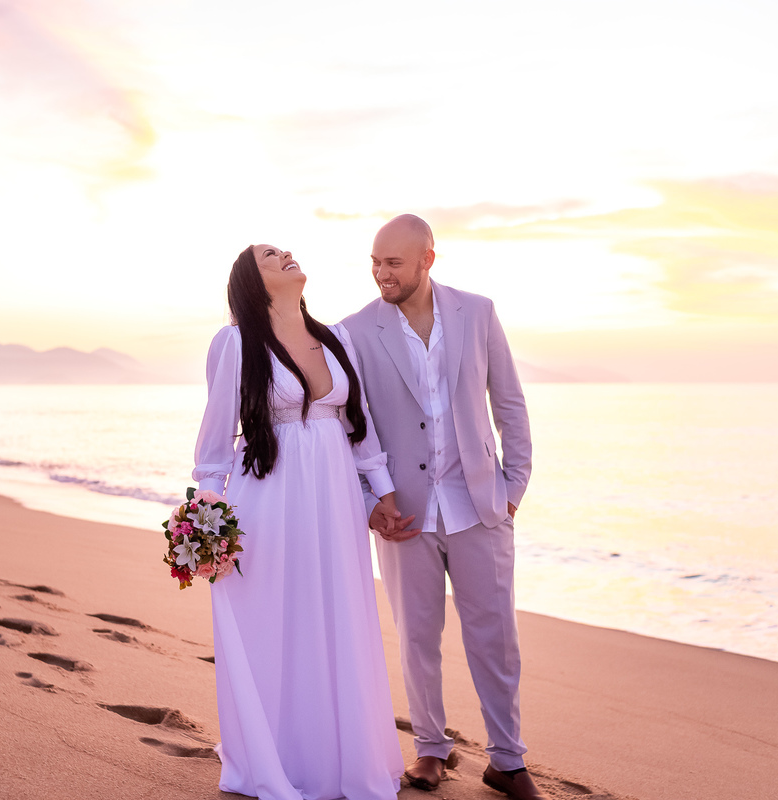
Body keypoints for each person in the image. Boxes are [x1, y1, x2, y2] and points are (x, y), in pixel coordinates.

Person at [192, 244, 405, 800]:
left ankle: (338, 762)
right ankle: (274, 758)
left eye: (286, 249)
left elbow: (361, 430)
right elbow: (215, 443)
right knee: (273, 622)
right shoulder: (235, 343)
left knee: (335, 616)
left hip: (333, 503)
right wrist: (207, 515)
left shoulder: (337, 338)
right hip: (268, 498)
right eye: (270, 255)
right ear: (250, 279)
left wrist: (379, 494)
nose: (287, 255)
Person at [342, 215, 545, 799]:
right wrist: (369, 500)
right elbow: (354, 428)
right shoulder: (355, 331)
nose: (382, 274)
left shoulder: (477, 312)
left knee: (495, 637)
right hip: (404, 514)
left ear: (429, 259)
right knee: (416, 637)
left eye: (394, 264)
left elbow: (510, 403)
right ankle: (430, 749)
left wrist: (513, 488)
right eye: (375, 263)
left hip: (480, 506)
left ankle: (507, 759)